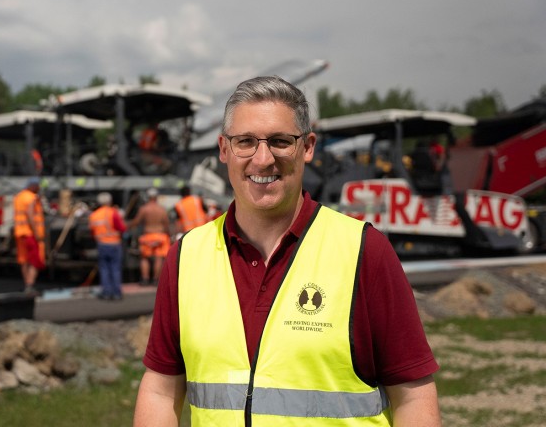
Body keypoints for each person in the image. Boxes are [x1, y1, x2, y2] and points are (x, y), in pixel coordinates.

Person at [134, 76, 442, 426]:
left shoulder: (363, 251)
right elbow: (159, 390)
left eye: (280, 141)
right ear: (224, 149)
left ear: (307, 147)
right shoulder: (187, 257)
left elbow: (414, 398)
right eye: (245, 142)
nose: (263, 159)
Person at [127, 187, 171, 286]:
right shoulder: (162, 209)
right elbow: (166, 224)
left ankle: (145, 279)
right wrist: (169, 234)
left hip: (147, 236)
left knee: (144, 258)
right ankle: (156, 279)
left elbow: (136, 221)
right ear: (156, 197)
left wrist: (128, 226)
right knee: (159, 258)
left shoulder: (144, 209)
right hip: (160, 235)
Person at [89, 191, 127, 300]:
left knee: (104, 269)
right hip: (114, 244)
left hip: (102, 245)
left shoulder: (94, 215)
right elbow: (122, 228)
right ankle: (116, 293)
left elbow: (92, 232)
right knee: (115, 269)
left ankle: (106, 292)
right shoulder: (113, 212)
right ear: (109, 201)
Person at [13, 177, 46, 295]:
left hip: (20, 233)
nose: (39, 188)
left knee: (24, 260)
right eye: (38, 186)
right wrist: (37, 233)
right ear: (33, 186)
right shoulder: (32, 197)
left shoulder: (19, 197)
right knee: (34, 260)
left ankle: (27, 284)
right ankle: (30, 285)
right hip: (30, 233)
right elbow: (30, 214)